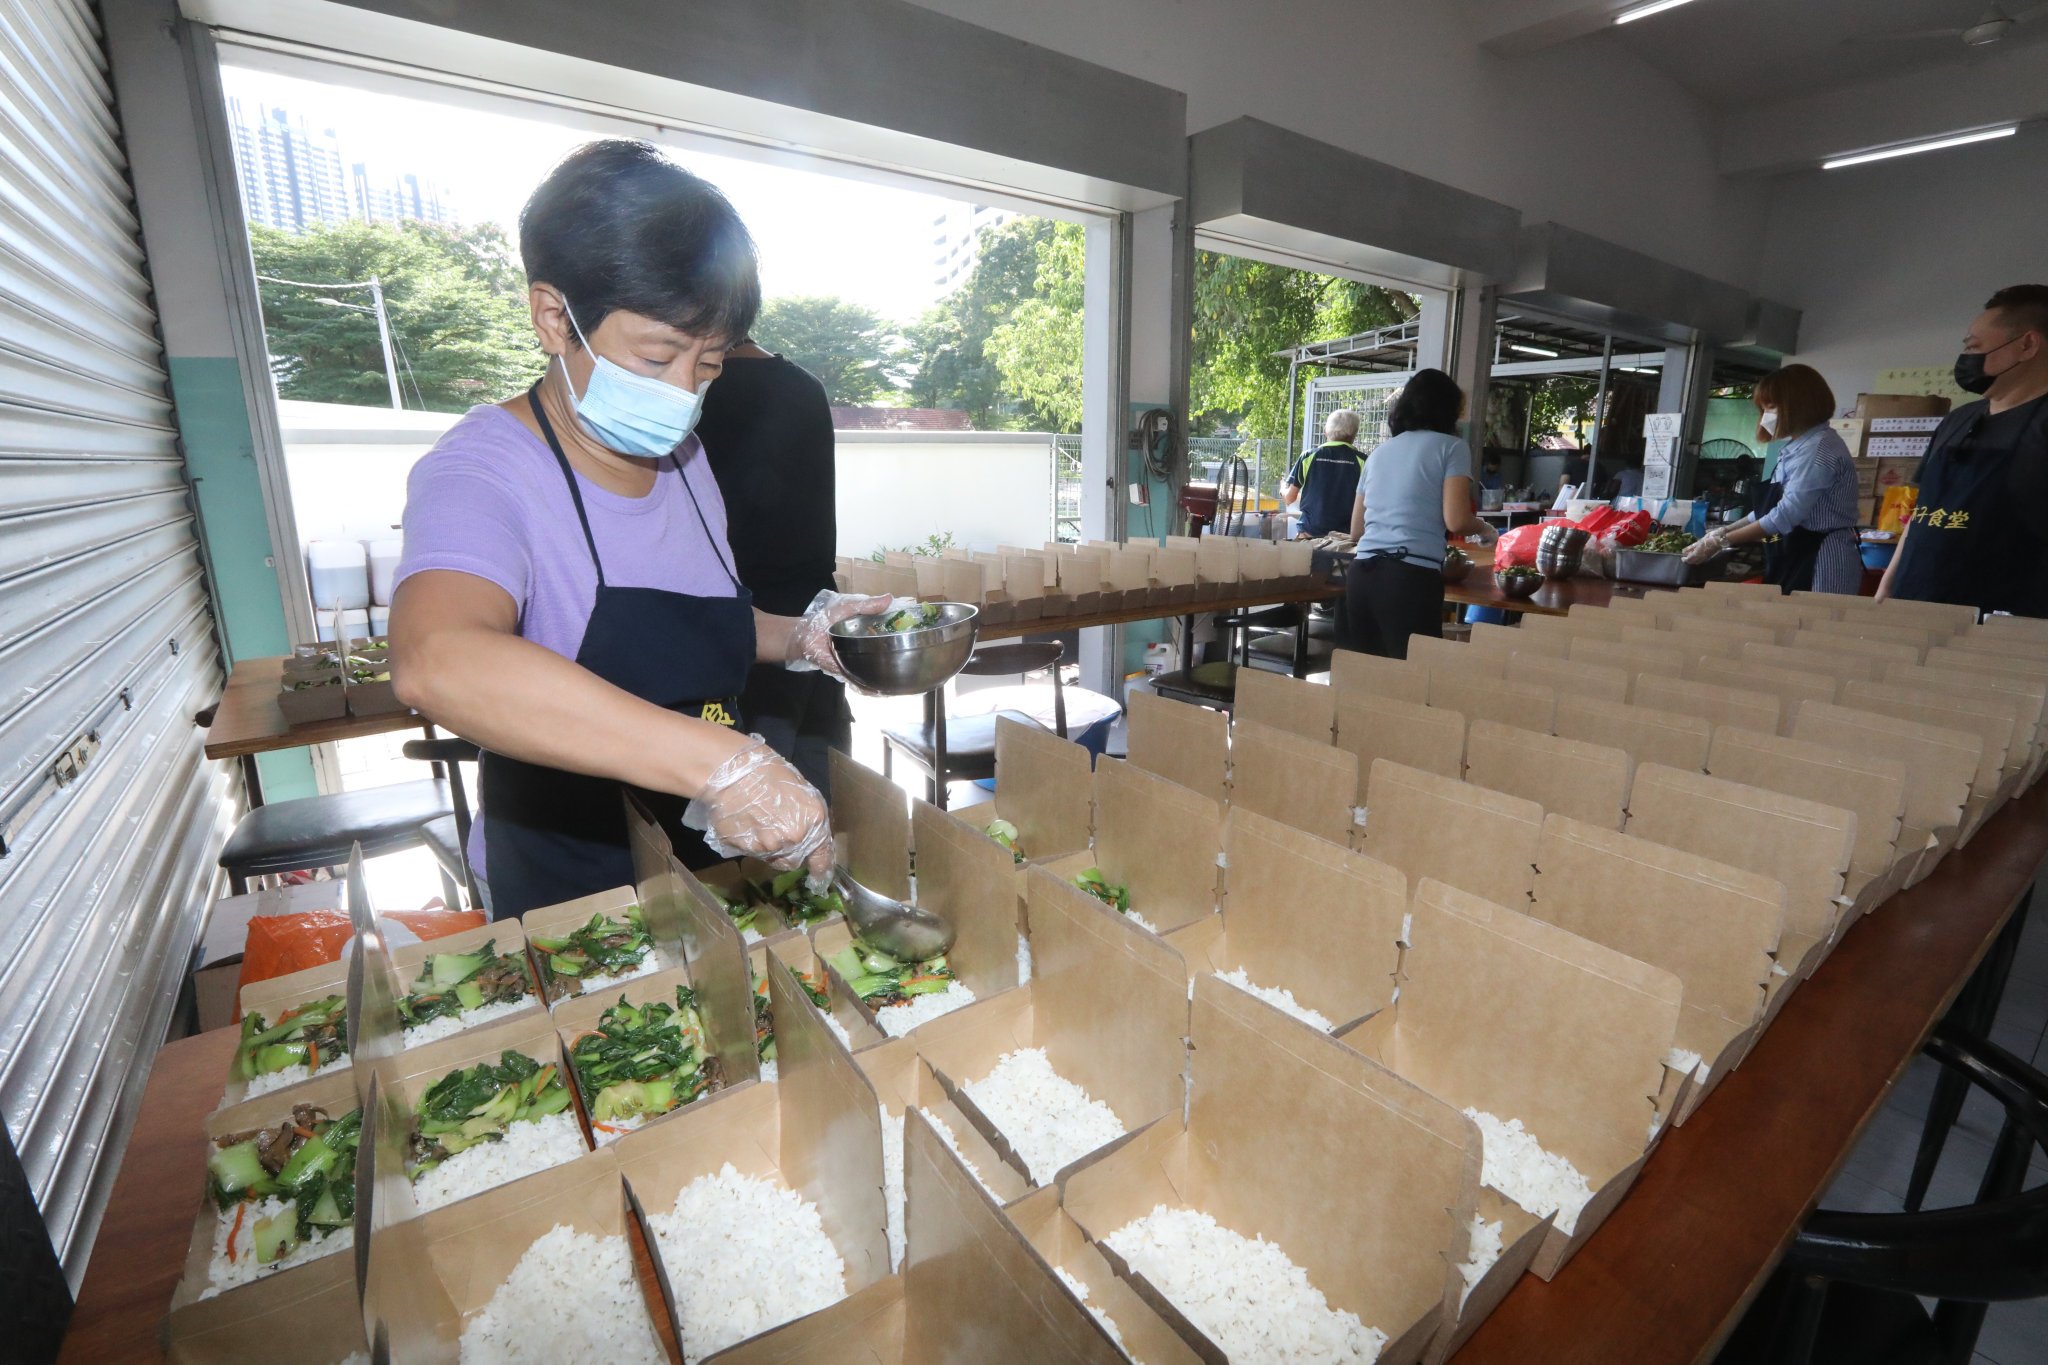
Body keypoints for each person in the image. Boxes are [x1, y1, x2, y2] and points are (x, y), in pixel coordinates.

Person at [389, 140, 888, 918]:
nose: (685, 393)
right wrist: (724, 764)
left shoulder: (682, 457)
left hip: (702, 862)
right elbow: (437, 659)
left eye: (711, 365)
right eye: (657, 358)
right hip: (573, 891)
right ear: (556, 317)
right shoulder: (482, 472)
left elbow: (696, 620)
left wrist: (800, 635)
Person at [695, 339, 850, 797]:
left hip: (736, 629)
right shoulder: (804, 387)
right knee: (823, 798)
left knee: (748, 810)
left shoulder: (697, 394)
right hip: (814, 612)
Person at [1878, 285, 2048, 615]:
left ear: (2027, 344)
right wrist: (1889, 581)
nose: (1966, 357)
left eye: (1974, 346)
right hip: (1915, 600)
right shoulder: (1958, 420)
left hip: (2009, 624)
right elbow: (1923, 510)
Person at [1343, 369, 1497, 658]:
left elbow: (1356, 530)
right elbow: (1457, 520)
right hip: (1407, 579)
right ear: (1449, 409)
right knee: (1414, 683)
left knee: (1369, 683)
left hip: (1361, 576)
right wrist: (1486, 530)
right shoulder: (1452, 448)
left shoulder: (1378, 453)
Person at [1683, 364, 1861, 594]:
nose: (1766, 416)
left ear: (1798, 404)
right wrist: (1722, 532)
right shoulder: (1797, 447)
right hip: (1791, 553)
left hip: (1820, 559)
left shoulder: (1819, 450)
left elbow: (1784, 516)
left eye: (1771, 407)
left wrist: (1722, 542)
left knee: (1811, 624)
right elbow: (1768, 509)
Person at [1281, 410, 1367, 539]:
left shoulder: (1308, 456)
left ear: (1325, 431)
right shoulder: (1363, 460)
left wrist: (1282, 488)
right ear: (1354, 434)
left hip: (1309, 534)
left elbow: (1289, 498)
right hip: (1345, 538)